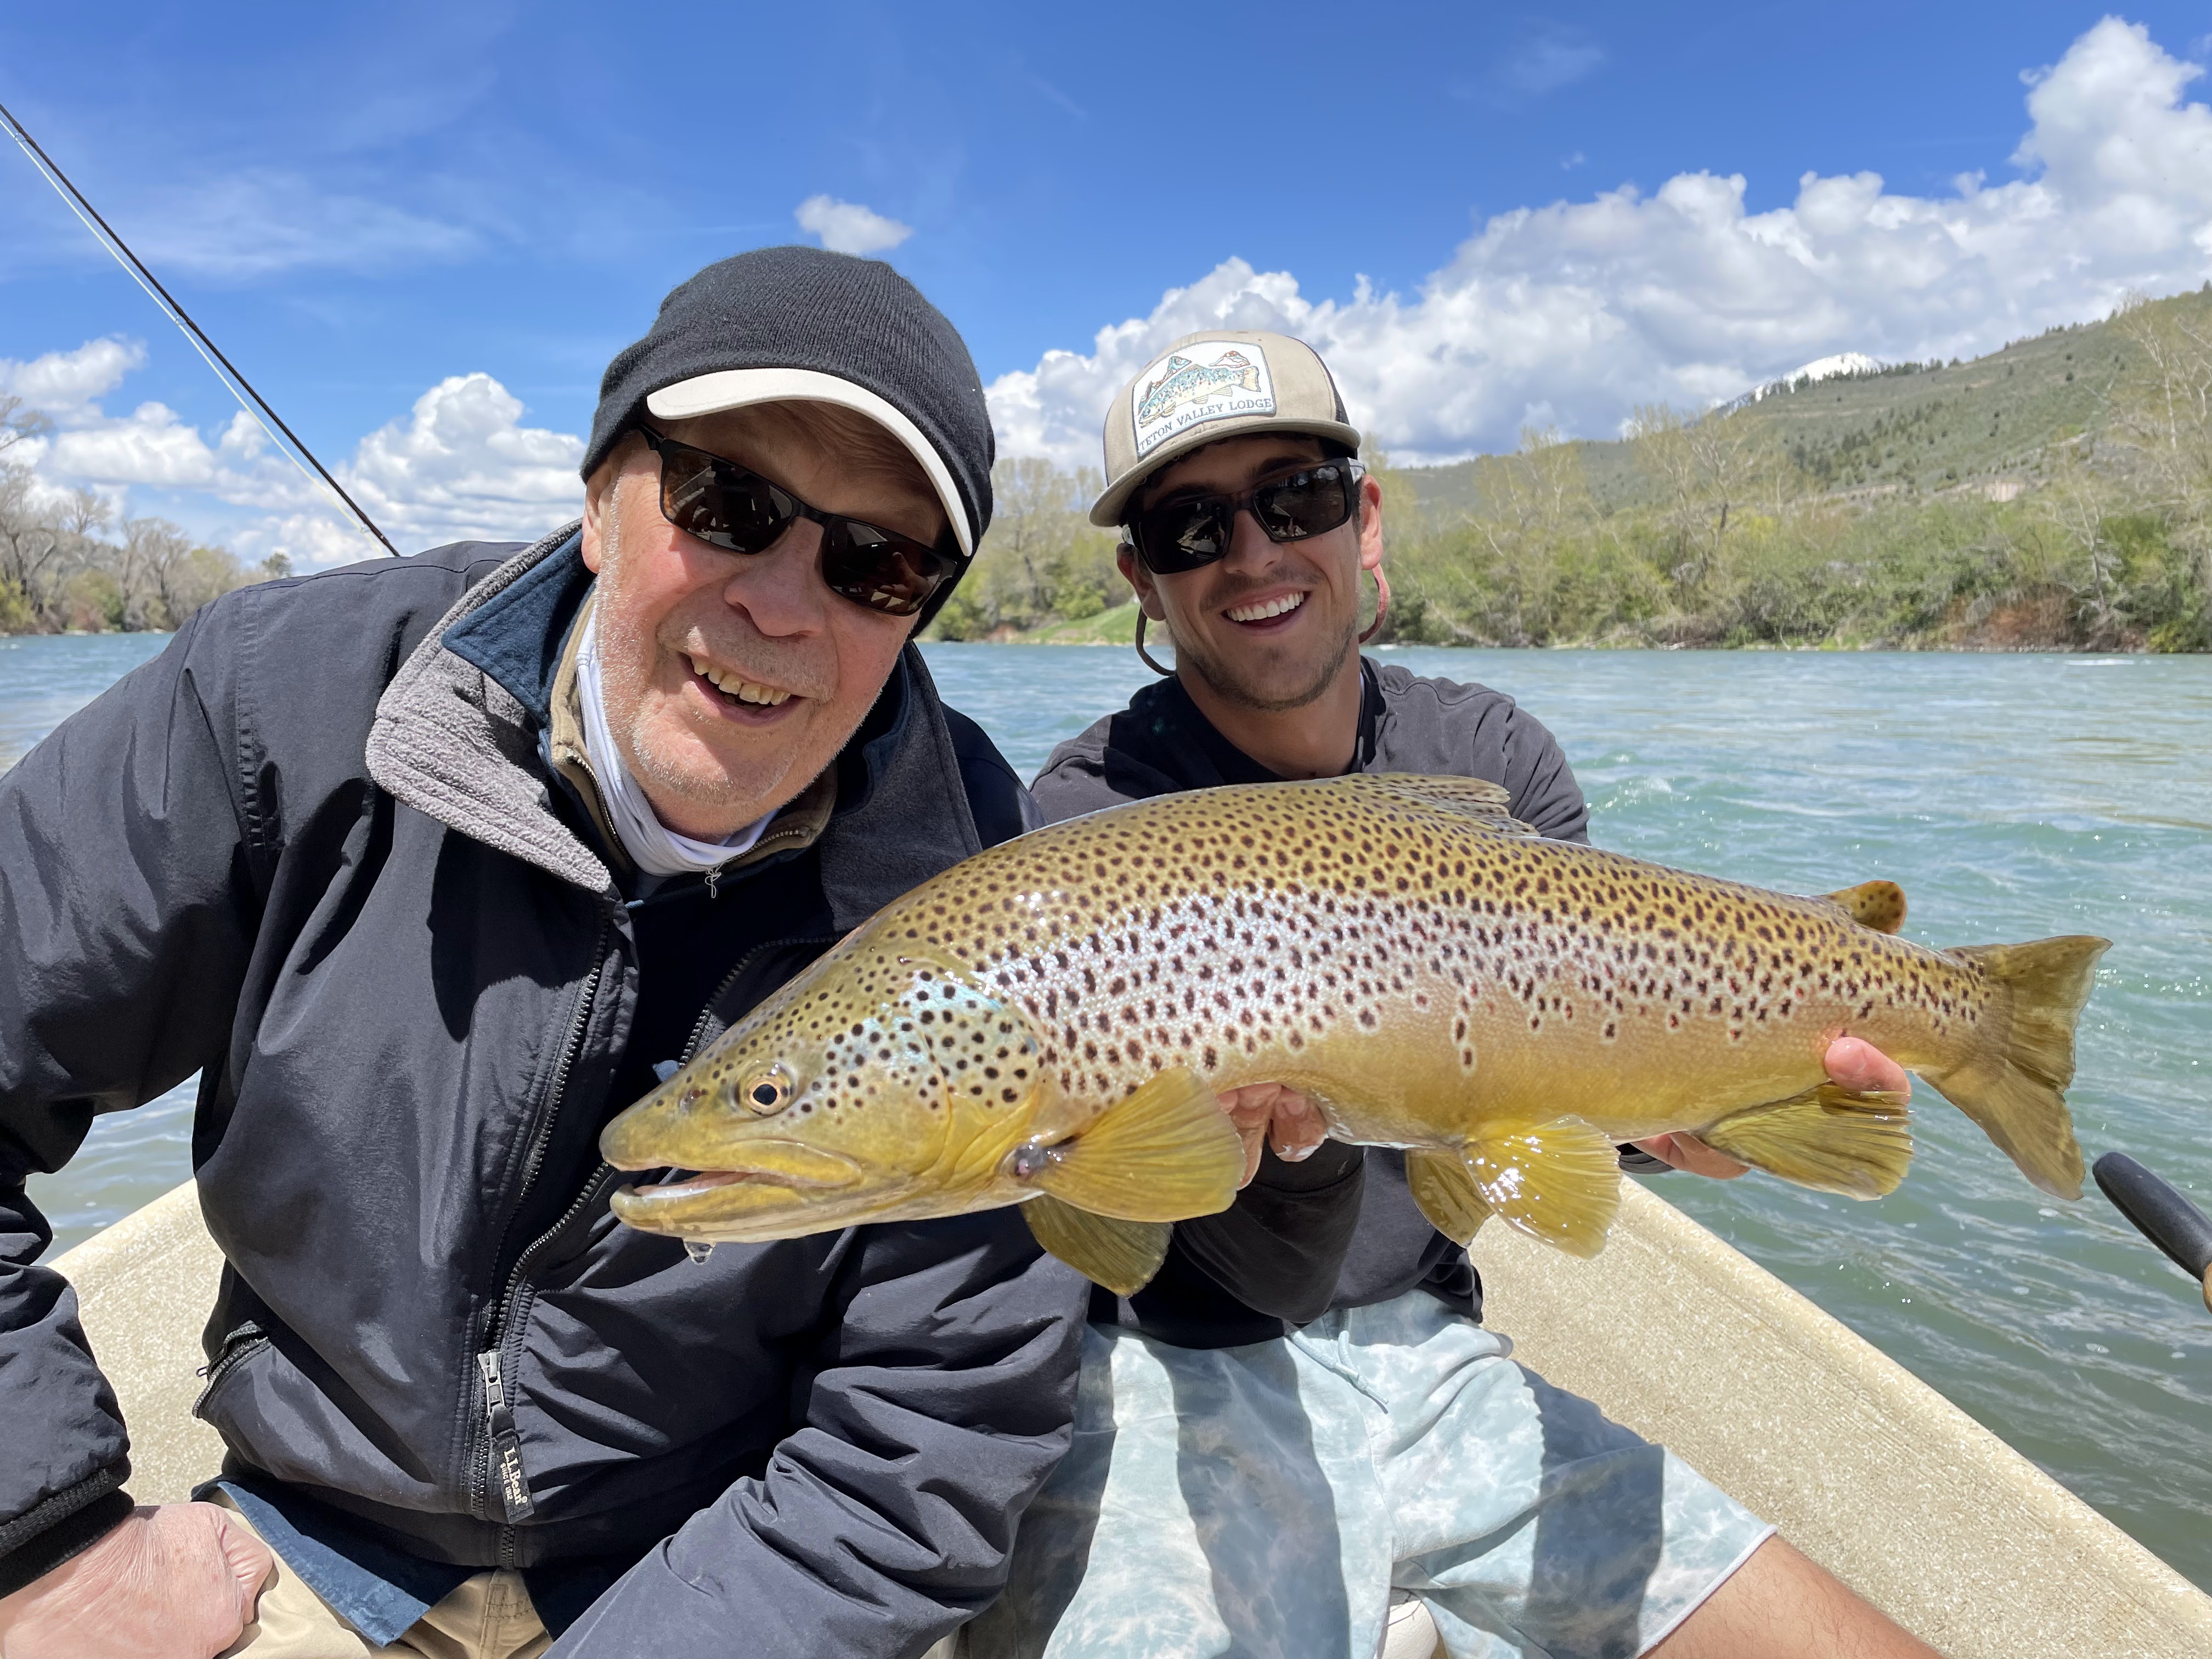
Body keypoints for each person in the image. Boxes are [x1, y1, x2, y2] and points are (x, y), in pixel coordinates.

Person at [0, 248, 1090, 1659]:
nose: (781, 601)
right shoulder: (276, 705)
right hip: (309, 1541)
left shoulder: (996, 894)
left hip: (736, 1568)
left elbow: (930, 1431)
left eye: (877, 562)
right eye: (729, 503)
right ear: (598, 497)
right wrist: (55, 1542)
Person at [971, 330, 1940, 1659]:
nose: (1252, 553)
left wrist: (1684, 1123)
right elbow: (1157, 1238)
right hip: (1168, 1367)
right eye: (1191, 525)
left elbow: (1571, 1074)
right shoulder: (1088, 823)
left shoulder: (1491, 756)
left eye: (1296, 496)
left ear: (1363, 519)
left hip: (1439, 1350)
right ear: (1143, 577)